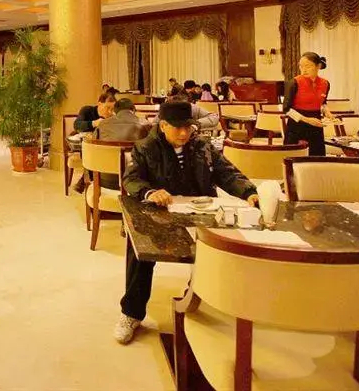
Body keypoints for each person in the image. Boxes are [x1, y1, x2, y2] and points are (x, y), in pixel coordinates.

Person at [115, 100, 258, 344]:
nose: (184, 133)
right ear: (163, 126)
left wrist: (249, 192)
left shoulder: (202, 146)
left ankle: (204, 295)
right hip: (160, 214)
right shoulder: (145, 147)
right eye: (177, 127)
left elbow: (226, 173)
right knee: (139, 249)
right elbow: (131, 179)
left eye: (188, 127)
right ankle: (131, 313)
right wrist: (150, 192)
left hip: (201, 211)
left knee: (231, 242)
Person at [282, 52, 333, 156]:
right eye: (301, 66)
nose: (303, 69)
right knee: (294, 159)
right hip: (297, 125)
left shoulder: (325, 83)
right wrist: (307, 120)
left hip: (316, 125)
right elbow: (286, 109)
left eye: (308, 66)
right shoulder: (294, 83)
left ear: (318, 66)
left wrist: (327, 112)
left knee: (317, 158)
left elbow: (323, 102)